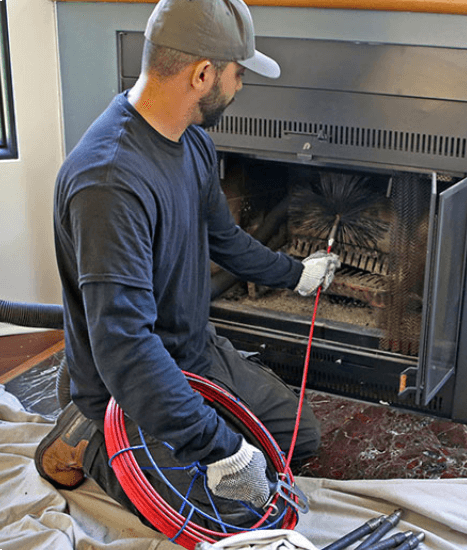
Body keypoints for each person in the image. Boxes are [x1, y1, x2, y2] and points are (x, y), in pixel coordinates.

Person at [34, 0, 340, 531]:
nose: (241, 85)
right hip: (126, 388)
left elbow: (224, 237)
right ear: (202, 74)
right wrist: (222, 449)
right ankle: (83, 434)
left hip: (193, 353)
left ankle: (196, 422)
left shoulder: (191, 140)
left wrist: (296, 274)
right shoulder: (109, 182)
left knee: (299, 439)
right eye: (238, 73)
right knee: (233, 522)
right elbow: (126, 348)